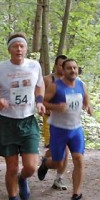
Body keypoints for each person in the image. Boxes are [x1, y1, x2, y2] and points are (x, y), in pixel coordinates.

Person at [0, 33, 46, 200]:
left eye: (22, 46)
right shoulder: (0, 69)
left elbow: (40, 86)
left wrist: (40, 101)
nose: (19, 49)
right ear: (9, 49)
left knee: (31, 167)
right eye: (15, 46)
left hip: (28, 120)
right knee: (11, 166)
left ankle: (23, 178)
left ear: (26, 49)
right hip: (7, 122)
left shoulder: (34, 66)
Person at [38, 59, 94, 200]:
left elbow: (85, 96)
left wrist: (88, 106)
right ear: (63, 69)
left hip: (76, 129)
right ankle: (45, 163)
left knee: (79, 159)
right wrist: (56, 106)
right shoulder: (56, 86)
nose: (73, 71)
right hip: (58, 129)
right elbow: (43, 102)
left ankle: (76, 195)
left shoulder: (81, 84)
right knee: (58, 163)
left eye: (75, 68)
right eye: (69, 68)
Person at [43, 55, 69, 191]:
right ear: (56, 65)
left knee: (66, 151)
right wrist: (45, 108)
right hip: (50, 121)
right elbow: (40, 98)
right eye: (60, 65)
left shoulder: (70, 81)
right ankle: (45, 162)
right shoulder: (48, 80)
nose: (62, 68)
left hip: (65, 122)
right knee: (53, 150)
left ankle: (58, 178)